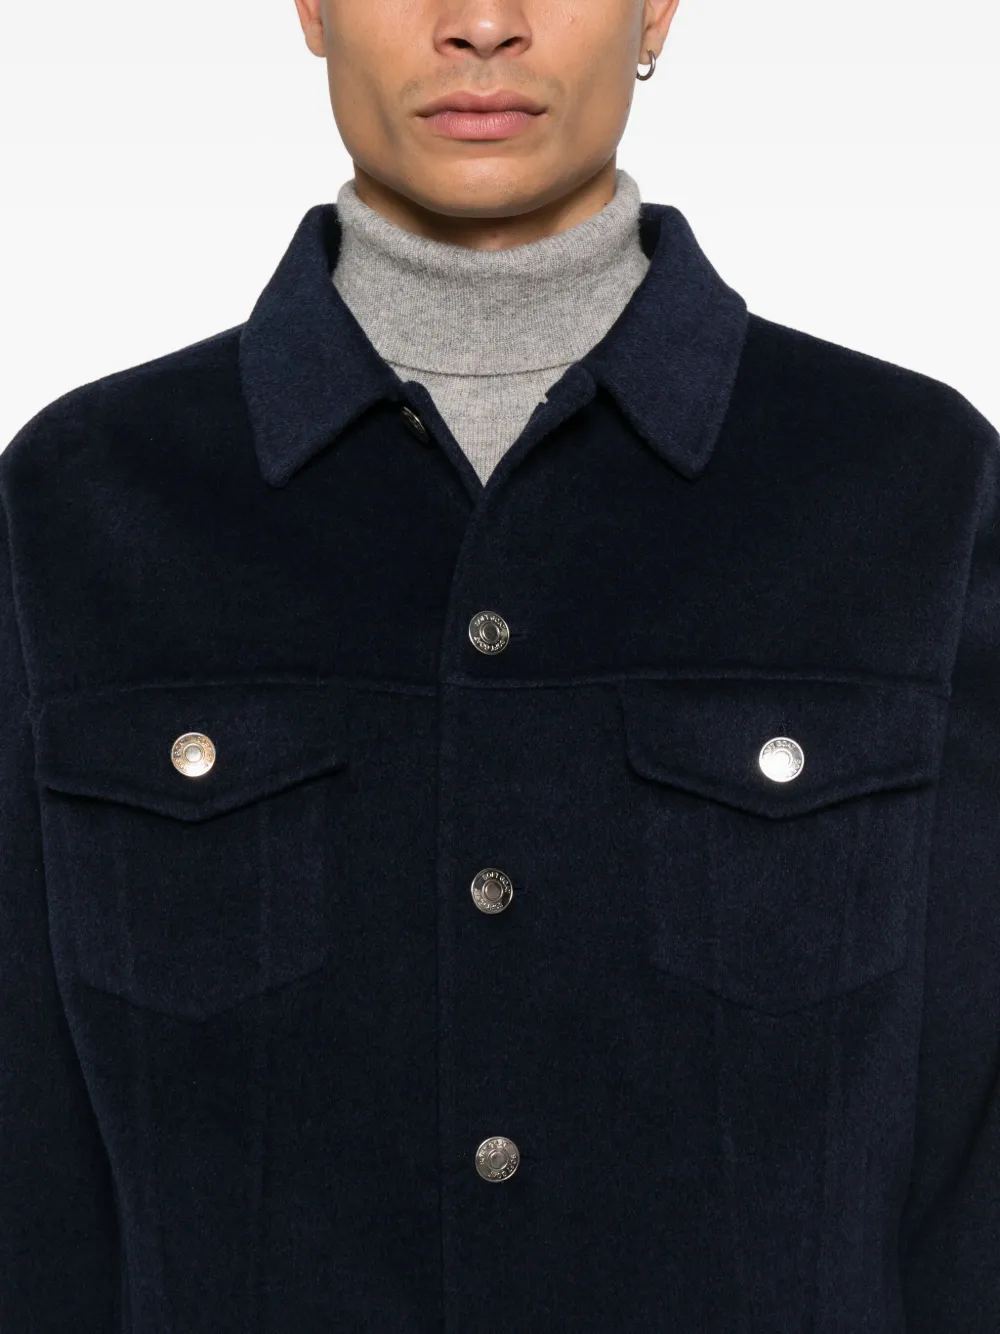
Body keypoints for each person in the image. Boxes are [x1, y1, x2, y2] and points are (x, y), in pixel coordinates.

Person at [1, 1, 997, 1330]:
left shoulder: (911, 489)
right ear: (311, 7)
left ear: (657, 8)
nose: (482, 23)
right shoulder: (82, 504)